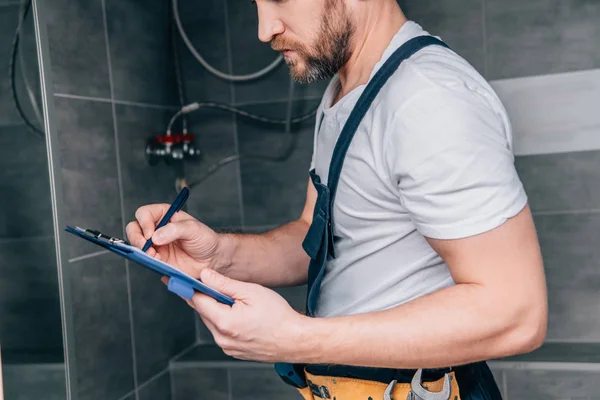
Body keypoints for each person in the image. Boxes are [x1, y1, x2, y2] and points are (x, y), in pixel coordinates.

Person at [126, 0, 548, 399]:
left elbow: (515, 314)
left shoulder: (427, 98)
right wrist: (219, 254)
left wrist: (294, 338)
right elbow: (316, 234)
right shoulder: (345, 92)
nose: (264, 29)